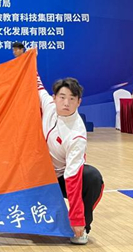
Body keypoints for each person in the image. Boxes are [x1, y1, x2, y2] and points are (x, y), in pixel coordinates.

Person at [37, 76, 104, 246]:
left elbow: (72, 178)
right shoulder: (49, 106)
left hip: (61, 180)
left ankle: (82, 227)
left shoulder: (77, 135)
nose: (66, 103)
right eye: (62, 97)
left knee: (92, 177)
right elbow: (37, 85)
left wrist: (76, 218)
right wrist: (30, 62)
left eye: (72, 99)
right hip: (38, 177)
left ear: (79, 102)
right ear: (54, 98)